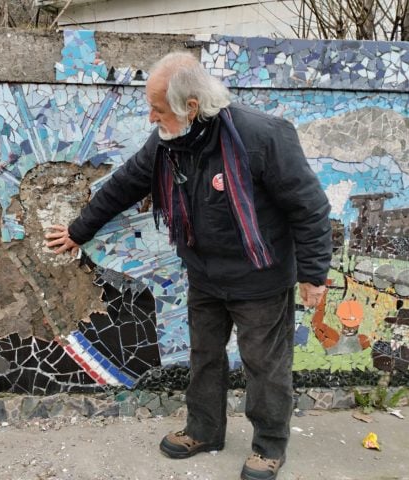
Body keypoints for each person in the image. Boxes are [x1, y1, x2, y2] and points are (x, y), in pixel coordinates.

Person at [45, 51, 332, 480]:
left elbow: (309, 207)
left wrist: (313, 274)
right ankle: (204, 430)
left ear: (191, 107)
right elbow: (125, 183)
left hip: (261, 279)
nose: (149, 118)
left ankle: (270, 446)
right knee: (204, 358)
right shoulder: (167, 144)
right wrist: (78, 230)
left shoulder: (262, 136)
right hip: (205, 275)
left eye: (157, 109)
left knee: (265, 367)